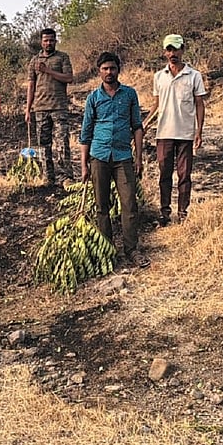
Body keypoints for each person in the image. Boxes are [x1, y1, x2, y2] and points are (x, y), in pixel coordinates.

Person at [79, 52, 149, 269]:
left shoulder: (129, 95)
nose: (109, 72)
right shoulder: (93, 98)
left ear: (119, 70)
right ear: (99, 71)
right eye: (105, 69)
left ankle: (132, 250)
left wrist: (138, 158)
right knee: (102, 206)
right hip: (98, 157)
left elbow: (137, 127)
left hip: (123, 157)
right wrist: (84, 165)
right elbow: (86, 132)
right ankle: (107, 250)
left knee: (129, 204)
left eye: (112, 68)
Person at [152, 34, 207, 225]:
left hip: (185, 133)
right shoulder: (159, 77)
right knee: (164, 174)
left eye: (175, 49)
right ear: (165, 52)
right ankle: (165, 213)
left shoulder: (194, 76)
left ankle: (183, 212)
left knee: (185, 175)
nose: (172, 54)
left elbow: (199, 104)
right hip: (164, 133)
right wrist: (143, 125)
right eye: (169, 50)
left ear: (183, 49)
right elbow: (156, 105)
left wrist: (199, 130)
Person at [24, 27, 74, 185]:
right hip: (40, 108)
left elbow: (68, 78)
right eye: (46, 40)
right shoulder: (34, 61)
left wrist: (48, 71)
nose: (49, 43)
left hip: (59, 107)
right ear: (41, 42)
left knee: (62, 143)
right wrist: (28, 109)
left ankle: (66, 177)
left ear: (55, 41)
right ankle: (48, 177)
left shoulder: (62, 57)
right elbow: (31, 85)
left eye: (51, 40)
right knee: (43, 145)